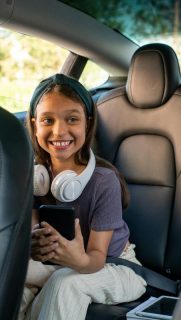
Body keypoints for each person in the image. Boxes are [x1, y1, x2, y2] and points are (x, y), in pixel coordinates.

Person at [20, 73, 146, 320]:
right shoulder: (34, 179)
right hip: (60, 264)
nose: (59, 131)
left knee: (65, 284)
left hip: (115, 266)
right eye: (47, 120)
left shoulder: (103, 182)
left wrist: (78, 260)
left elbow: (95, 259)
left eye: (72, 119)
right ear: (34, 125)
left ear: (87, 124)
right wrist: (35, 247)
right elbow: (31, 235)